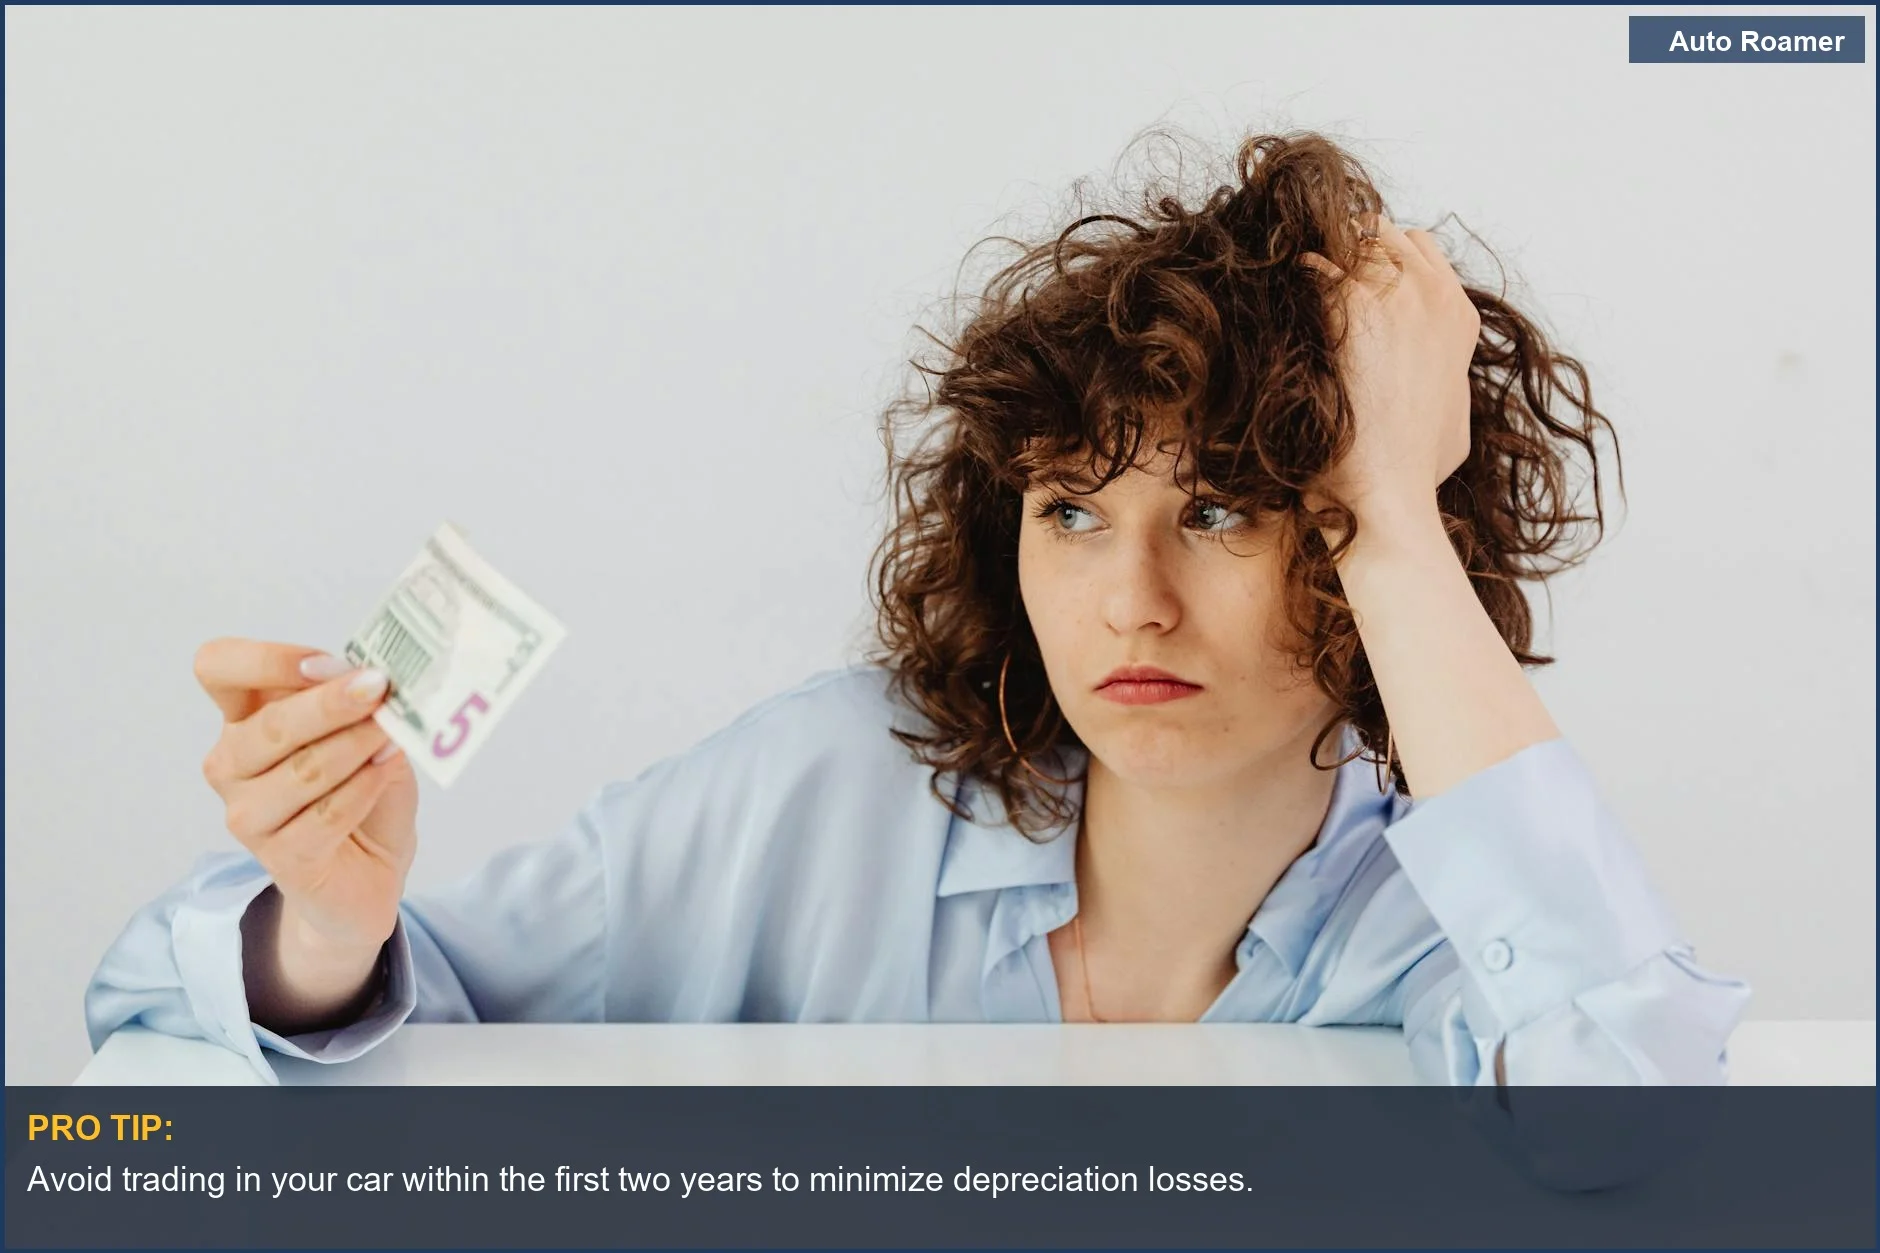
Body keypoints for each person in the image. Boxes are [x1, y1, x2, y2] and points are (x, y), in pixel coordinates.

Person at [85, 130, 1750, 1089]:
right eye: (1071, 511)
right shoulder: (828, 794)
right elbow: (182, 1047)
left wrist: (1389, 510)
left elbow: (1647, 1118)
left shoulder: (1438, 924)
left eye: (1221, 513)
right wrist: (328, 932)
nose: (1132, 604)